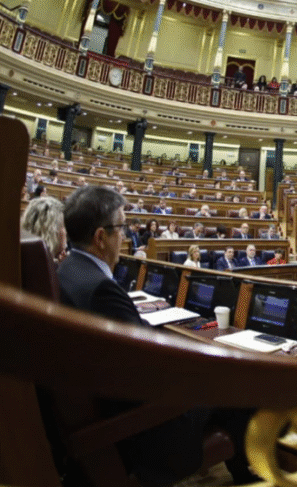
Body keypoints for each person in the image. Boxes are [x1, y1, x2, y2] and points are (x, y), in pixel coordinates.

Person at [57, 185, 255, 485]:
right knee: (236, 385)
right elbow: (147, 367)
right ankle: (248, 476)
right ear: (101, 237)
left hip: (104, 407)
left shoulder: (68, 270)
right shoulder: (100, 289)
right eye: (121, 227)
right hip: (142, 428)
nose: (123, 236)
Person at [21, 196, 67, 262]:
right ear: (52, 230)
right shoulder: (44, 267)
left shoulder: (23, 254)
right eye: (63, 226)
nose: (66, 232)